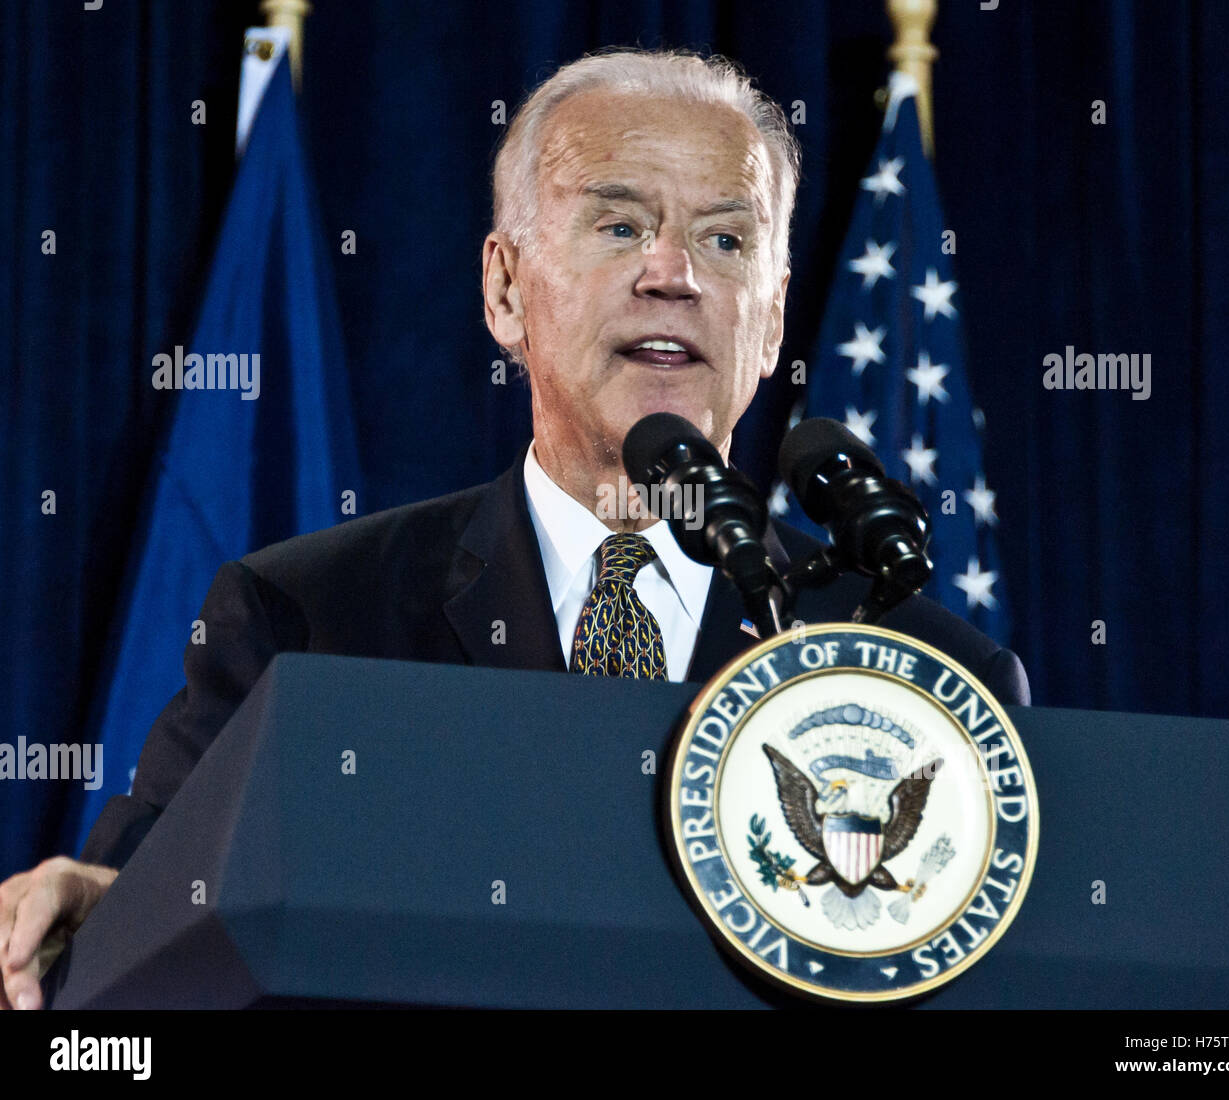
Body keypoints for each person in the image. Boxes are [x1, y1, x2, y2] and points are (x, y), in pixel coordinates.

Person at [0, 48, 1029, 1010]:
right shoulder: (307, 616)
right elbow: (147, 921)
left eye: (725, 238)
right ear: (504, 288)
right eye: (619, 224)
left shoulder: (923, 671)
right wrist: (103, 905)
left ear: (768, 317)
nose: (672, 271)